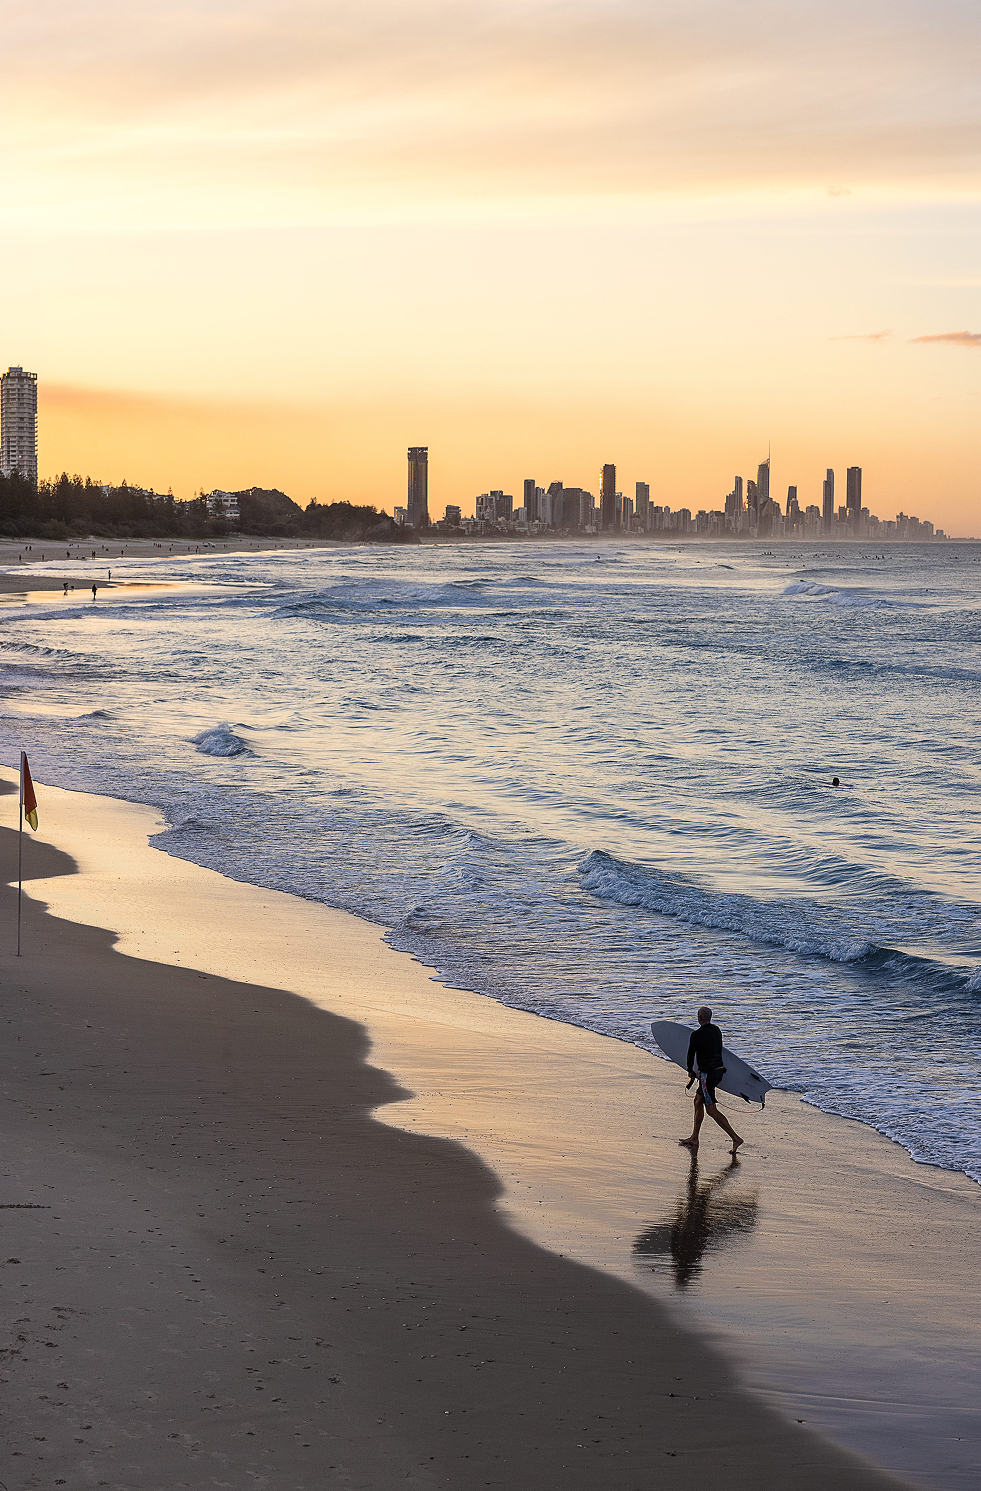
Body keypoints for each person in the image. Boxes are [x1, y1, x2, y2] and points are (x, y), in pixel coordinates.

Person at [680, 1006, 743, 1155]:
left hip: (707, 1076)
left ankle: (735, 1138)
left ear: (699, 1018)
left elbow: (690, 1055)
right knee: (697, 1100)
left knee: (711, 1110)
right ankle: (694, 1137)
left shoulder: (696, 1035)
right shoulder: (716, 1031)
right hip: (718, 1071)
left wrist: (690, 1071)